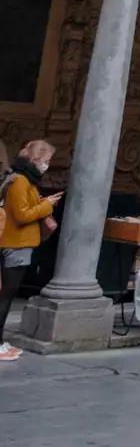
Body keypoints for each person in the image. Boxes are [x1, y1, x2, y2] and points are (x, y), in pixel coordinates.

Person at [0, 140, 60, 361]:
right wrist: (47, 205)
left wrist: (43, 202)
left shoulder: (23, 180)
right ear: (36, 159)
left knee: (5, 295)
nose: (47, 165)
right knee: (5, 296)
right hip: (16, 243)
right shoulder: (21, 181)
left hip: (16, 242)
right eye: (46, 160)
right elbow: (22, 215)